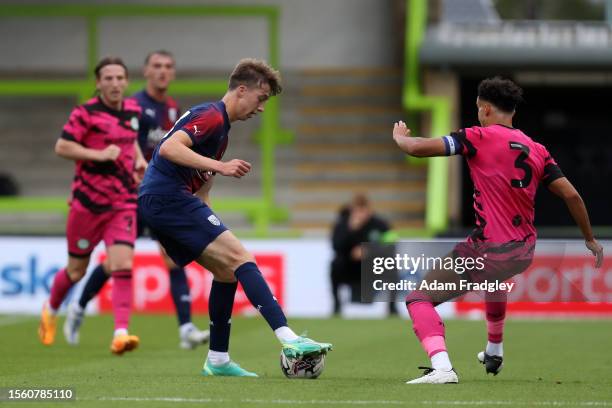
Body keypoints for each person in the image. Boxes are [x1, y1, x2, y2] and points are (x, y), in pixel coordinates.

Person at [392, 77, 604, 384]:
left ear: (486, 108)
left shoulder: (477, 136)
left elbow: (418, 148)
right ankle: (494, 350)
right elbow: (572, 195)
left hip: (489, 247)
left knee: (418, 298)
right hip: (523, 250)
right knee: (494, 280)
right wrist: (589, 238)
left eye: (478, 107)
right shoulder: (537, 149)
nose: (478, 112)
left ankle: (442, 368)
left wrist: (401, 139)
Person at [138, 58, 332, 377]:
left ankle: (217, 360)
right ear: (242, 90)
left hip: (166, 201)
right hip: (165, 197)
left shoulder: (221, 133)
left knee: (228, 272)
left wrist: (215, 222)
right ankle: (289, 338)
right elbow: (169, 147)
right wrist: (222, 166)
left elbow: (202, 194)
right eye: (262, 98)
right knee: (242, 259)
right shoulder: (211, 115)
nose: (261, 108)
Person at [64, 50, 210, 350]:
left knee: (172, 257)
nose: (162, 72)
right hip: (126, 197)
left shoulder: (172, 109)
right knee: (116, 264)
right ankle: (78, 306)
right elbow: (120, 147)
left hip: (156, 196)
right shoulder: (133, 106)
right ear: (145, 72)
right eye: (156, 66)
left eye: (168, 66)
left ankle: (185, 328)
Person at [39, 57, 147, 355]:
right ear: (98, 83)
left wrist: (137, 157)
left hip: (123, 201)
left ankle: (121, 333)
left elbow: (130, 139)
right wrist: (98, 154)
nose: (114, 84)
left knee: (123, 264)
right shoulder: (85, 113)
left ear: (126, 82)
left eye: (119, 78)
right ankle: (50, 310)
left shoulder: (133, 110)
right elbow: (62, 147)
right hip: (87, 204)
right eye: (108, 78)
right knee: (76, 270)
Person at [330, 192, 393, 315]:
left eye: (363, 210)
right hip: (349, 266)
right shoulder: (342, 224)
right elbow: (336, 246)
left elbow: (391, 243)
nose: (360, 215)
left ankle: (392, 308)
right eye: (357, 211)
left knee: (391, 265)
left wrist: (369, 250)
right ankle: (336, 306)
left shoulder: (379, 224)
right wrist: (351, 229)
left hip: (373, 266)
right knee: (335, 264)